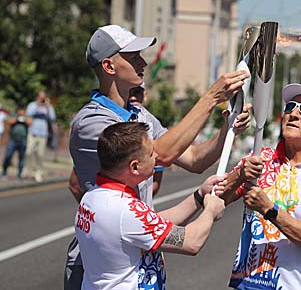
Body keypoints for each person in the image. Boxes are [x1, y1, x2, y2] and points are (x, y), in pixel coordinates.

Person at [65, 24, 250, 289]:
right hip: (99, 261)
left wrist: (227, 130)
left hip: (140, 249)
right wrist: (210, 98)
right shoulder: (91, 121)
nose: (143, 62)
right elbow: (160, 155)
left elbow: (195, 158)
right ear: (109, 66)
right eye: (133, 57)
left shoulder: (140, 114)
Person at [220, 83, 301, 290]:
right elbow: (215, 202)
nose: (294, 114)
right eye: (290, 107)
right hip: (248, 285)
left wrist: (268, 209)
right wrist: (239, 175)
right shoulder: (258, 158)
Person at [75, 121, 225, 289]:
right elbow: (192, 242)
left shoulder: (92, 197)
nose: (156, 156)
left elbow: (151, 223)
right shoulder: (126, 210)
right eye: (151, 153)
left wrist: (199, 196)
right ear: (135, 166)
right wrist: (211, 210)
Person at [24, 90, 56, 182]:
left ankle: (39, 173)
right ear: (38, 97)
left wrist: (48, 106)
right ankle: (26, 169)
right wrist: (38, 105)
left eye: (43, 98)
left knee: (40, 154)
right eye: (40, 97)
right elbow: (28, 114)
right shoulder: (32, 105)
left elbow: (52, 118)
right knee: (28, 152)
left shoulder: (48, 107)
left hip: (43, 134)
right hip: (33, 132)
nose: (42, 99)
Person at [2, 105, 32, 179]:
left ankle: (20, 174)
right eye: (20, 110)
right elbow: (8, 121)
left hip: (23, 140)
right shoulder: (13, 115)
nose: (21, 112)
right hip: (13, 139)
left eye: (23, 111)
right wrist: (17, 118)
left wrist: (24, 118)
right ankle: (4, 171)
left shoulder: (26, 117)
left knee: (21, 157)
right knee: (8, 155)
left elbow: (30, 122)